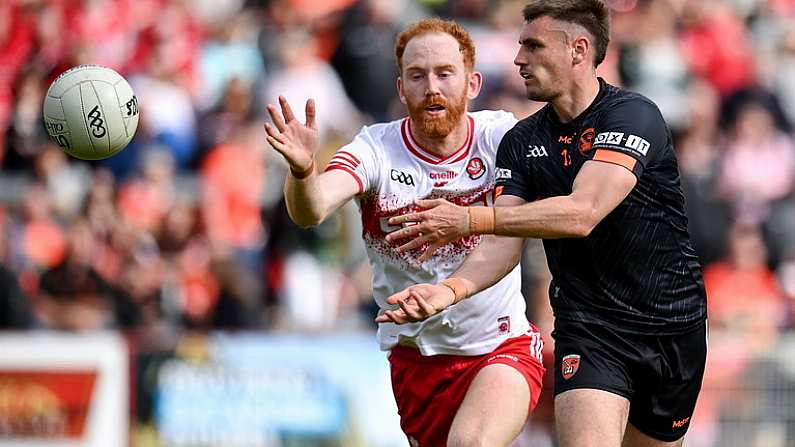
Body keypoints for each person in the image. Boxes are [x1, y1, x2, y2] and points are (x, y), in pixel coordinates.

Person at [377, 2, 708, 447]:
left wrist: (468, 219)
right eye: (519, 46)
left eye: (533, 46)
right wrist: (448, 290)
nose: (519, 59)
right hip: (590, 328)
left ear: (578, 49)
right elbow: (503, 240)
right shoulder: (521, 141)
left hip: (672, 326)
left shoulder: (633, 115)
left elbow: (582, 212)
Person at [264, 18, 545, 447]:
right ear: (400, 89)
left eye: (444, 73)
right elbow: (312, 209)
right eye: (417, 75)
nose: (431, 86)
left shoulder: (502, 138)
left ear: (472, 84)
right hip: (417, 362)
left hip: (501, 345)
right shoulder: (375, 149)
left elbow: (513, 234)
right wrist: (303, 171)